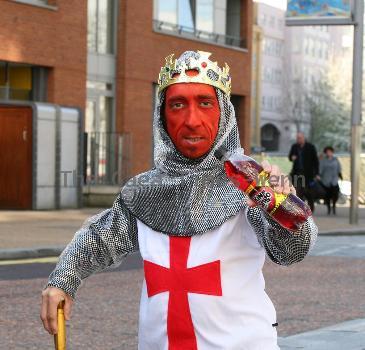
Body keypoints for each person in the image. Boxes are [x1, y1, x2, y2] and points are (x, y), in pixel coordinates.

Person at [40, 51, 318, 349]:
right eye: (177, 105)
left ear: (223, 113)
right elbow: (97, 240)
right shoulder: (144, 191)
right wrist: (62, 280)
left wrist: (283, 208)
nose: (191, 121)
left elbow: (292, 251)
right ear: (162, 115)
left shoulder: (248, 180)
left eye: (205, 103)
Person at [288, 132, 319, 212]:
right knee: (298, 192)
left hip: (308, 174)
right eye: (297, 138)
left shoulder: (310, 147)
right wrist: (292, 157)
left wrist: (317, 173)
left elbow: (316, 161)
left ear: (304, 138)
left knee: (308, 193)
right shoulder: (294, 147)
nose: (299, 139)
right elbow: (290, 157)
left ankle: (311, 210)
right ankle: (301, 210)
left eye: (300, 138)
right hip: (297, 173)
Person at [319, 146, 342, 215]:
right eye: (327, 152)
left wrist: (339, 175)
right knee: (327, 195)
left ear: (332, 152)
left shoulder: (336, 160)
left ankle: (334, 206)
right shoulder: (323, 160)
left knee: (335, 194)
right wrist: (319, 175)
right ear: (326, 153)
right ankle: (329, 208)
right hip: (326, 180)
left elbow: (339, 168)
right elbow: (320, 169)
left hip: (334, 180)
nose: (329, 153)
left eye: (330, 152)